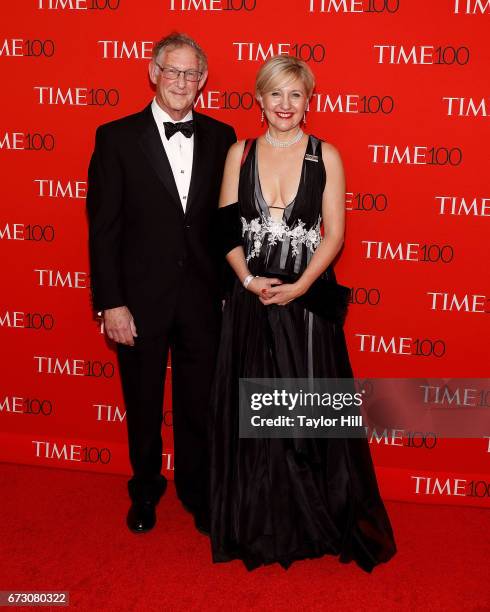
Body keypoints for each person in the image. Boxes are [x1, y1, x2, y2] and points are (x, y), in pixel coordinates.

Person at [210, 55, 396, 571]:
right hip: (251, 300)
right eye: (275, 94)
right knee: (256, 417)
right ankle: (260, 519)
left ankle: (316, 516)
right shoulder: (239, 154)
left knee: (305, 412)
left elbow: (334, 234)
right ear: (259, 100)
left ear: (308, 101)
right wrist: (248, 281)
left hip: (307, 302)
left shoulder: (327, 155)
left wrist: (299, 288)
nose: (285, 106)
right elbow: (226, 231)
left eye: (295, 95)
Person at [86, 33, 236, 535]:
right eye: (172, 71)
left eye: (191, 73)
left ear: (204, 81)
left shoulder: (222, 137)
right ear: (152, 72)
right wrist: (112, 303)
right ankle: (145, 487)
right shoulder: (115, 137)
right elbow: (103, 228)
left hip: (201, 297)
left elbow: (226, 223)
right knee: (144, 401)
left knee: (199, 403)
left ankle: (197, 490)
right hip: (139, 302)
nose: (181, 82)